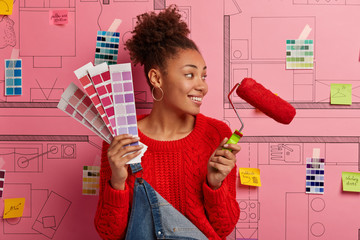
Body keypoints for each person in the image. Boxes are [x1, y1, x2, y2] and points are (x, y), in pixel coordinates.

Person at [94, 5, 240, 240]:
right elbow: (109, 233)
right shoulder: (121, 138)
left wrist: (215, 185)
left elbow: (223, 229)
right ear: (156, 78)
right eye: (190, 75)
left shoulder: (217, 134)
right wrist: (117, 181)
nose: (202, 86)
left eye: (204, 75)